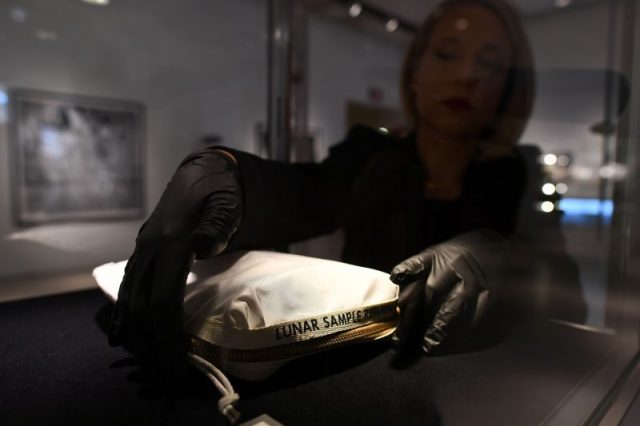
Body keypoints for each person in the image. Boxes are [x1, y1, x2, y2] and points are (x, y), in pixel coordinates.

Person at [108, 0, 535, 376]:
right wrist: (225, 172)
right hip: (354, 364)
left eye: (490, 64)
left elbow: (553, 275)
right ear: (415, 71)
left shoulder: (515, 171)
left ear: (509, 87)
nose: (466, 76)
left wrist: (497, 254)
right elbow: (308, 192)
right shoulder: (369, 155)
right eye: (446, 54)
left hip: (489, 371)